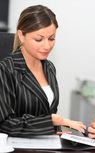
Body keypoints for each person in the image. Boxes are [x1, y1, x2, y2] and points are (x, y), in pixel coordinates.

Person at [0, 5, 86, 136]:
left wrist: (55, 132)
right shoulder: (6, 69)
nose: (47, 46)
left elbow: (46, 111)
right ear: (21, 36)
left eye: (51, 38)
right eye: (38, 39)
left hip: (46, 144)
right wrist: (52, 121)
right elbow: (5, 124)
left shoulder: (49, 67)